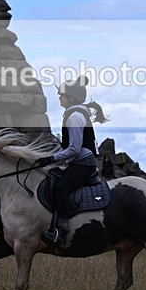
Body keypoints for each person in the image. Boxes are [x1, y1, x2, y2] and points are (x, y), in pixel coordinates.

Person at [35, 76, 108, 249]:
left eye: (62, 95)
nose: (60, 98)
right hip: (79, 162)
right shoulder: (75, 114)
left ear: (72, 98)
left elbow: (74, 149)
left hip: (83, 164)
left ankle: (61, 231)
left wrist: (51, 158)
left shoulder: (74, 117)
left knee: (61, 188)